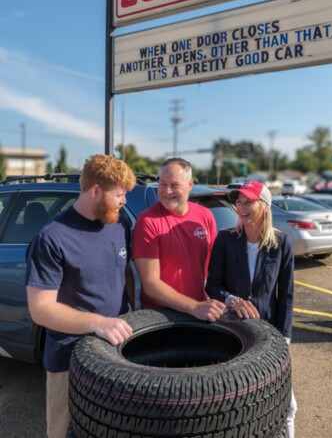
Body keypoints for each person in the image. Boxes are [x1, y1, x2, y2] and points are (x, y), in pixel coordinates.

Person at [25, 154, 137, 438]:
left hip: (116, 350)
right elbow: (41, 309)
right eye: (120, 194)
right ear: (95, 190)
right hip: (68, 357)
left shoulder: (120, 223)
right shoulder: (52, 237)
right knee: (63, 430)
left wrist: (135, 311)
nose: (124, 201)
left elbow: (124, 272)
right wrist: (98, 322)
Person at [205, 180, 297, 438]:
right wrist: (232, 300)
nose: (241, 207)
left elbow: (286, 295)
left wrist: (285, 338)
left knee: (288, 405)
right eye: (239, 201)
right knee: (235, 403)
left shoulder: (282, 243)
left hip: (270, 336)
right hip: (234, 332)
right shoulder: (225, 239)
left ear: (264, 206)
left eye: (248, 201)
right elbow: (213, 286)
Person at [132, 157, 226, 321]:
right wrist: (193, 307)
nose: (167, 191)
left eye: (174, 185)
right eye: (162, 184)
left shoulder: (205, 216)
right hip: (160, 318)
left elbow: (214, 270)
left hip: (199, 313)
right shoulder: (147, 222)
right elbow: (150, 285)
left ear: (190, 184)